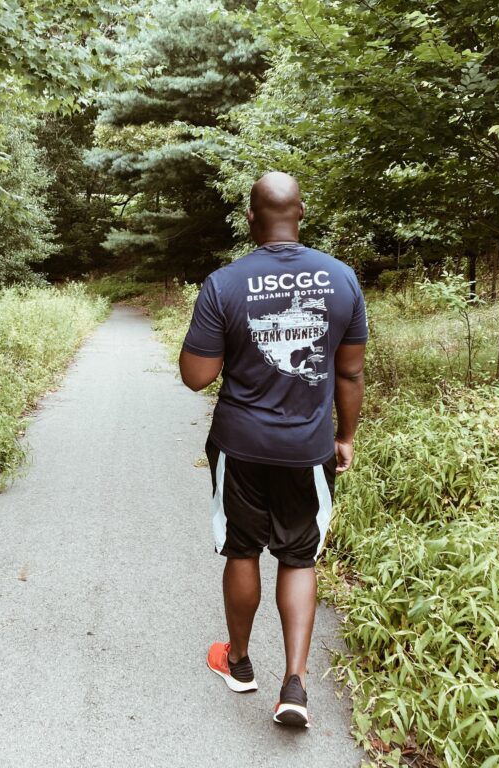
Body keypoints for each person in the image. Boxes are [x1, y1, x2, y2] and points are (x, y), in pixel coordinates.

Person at [179, 171, 367, 729]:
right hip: (308, 448)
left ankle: (238, 664)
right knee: (298, 555)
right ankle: (295, 685)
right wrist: (345, 437)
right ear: (301, 213)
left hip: (240, 445)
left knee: (242, 550)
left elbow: (196, 377)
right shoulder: (342, 279)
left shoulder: (224, 283)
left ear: (251, 220)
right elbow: (350, 372)